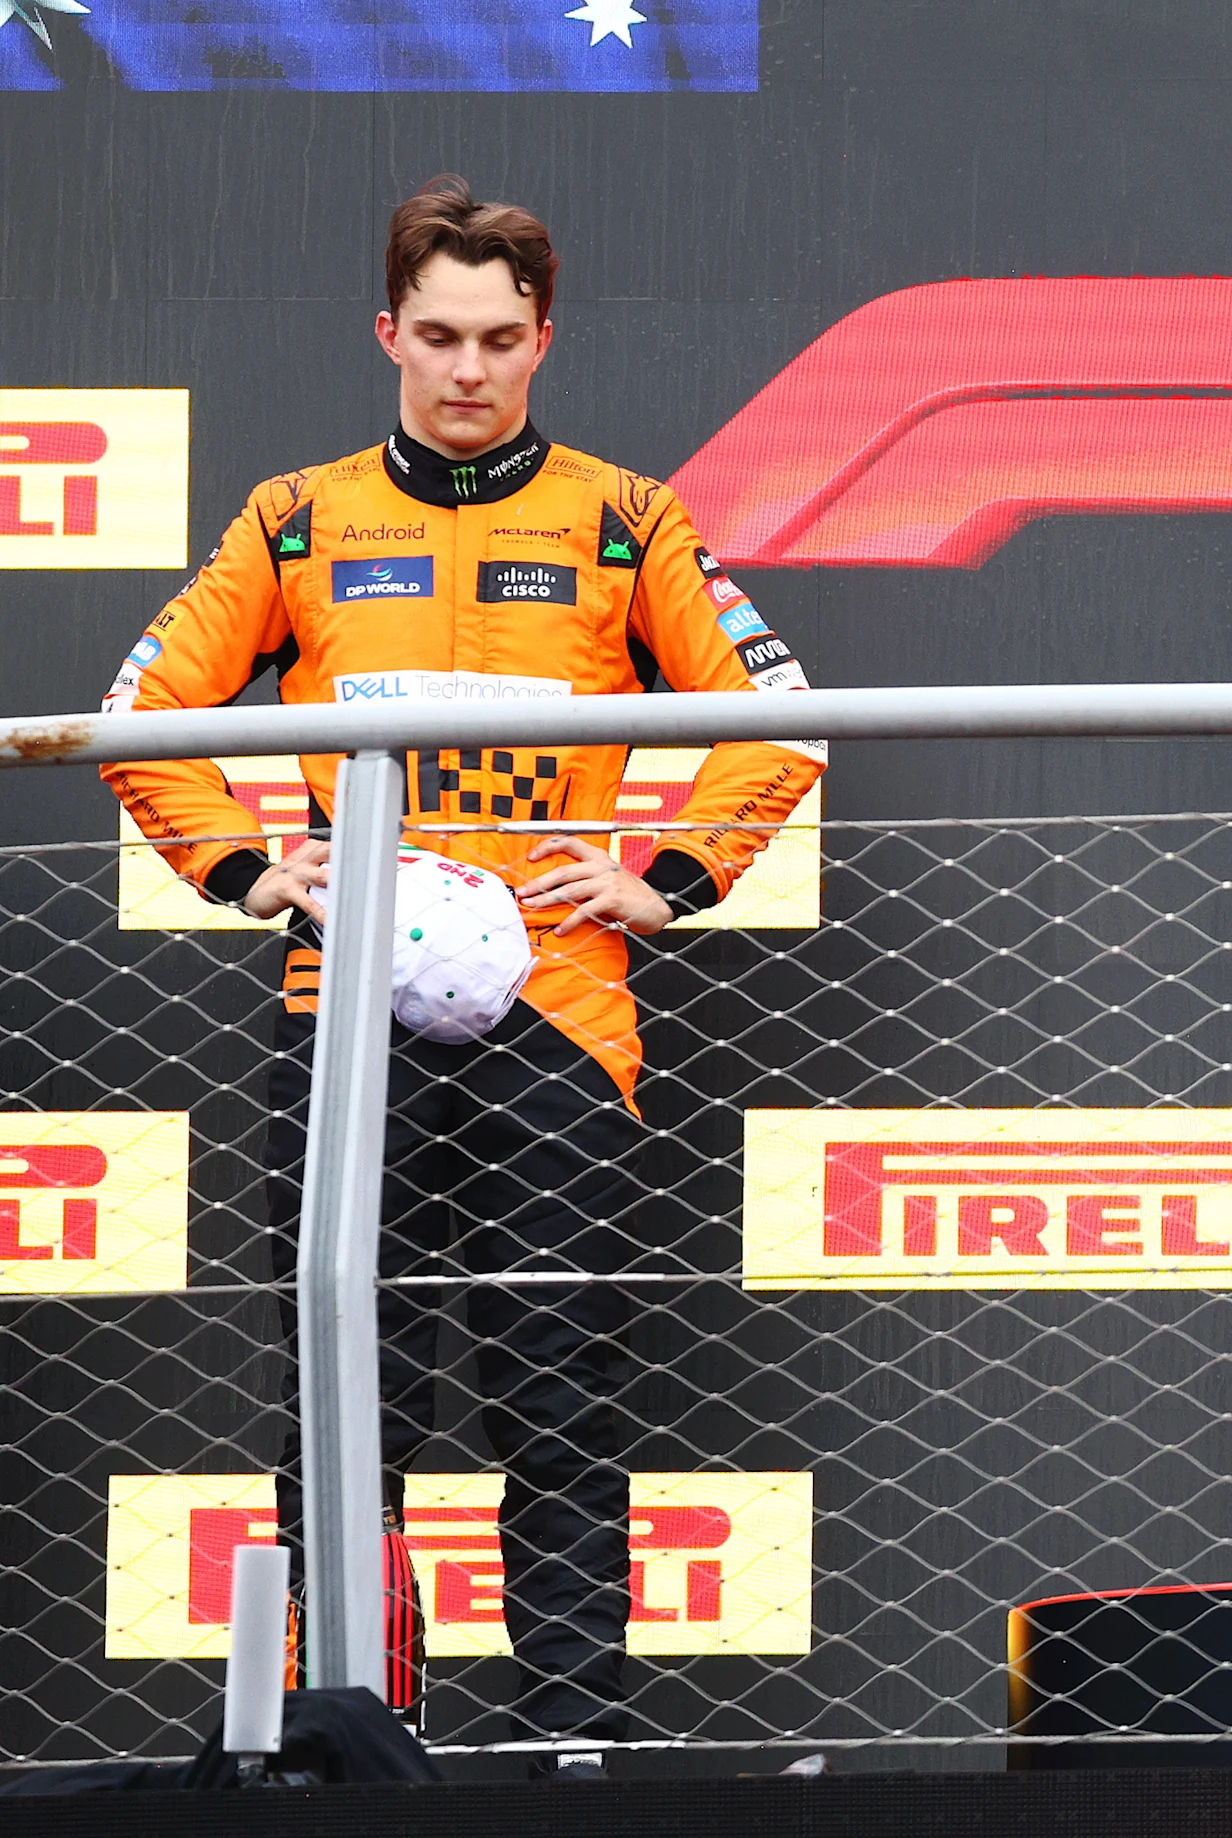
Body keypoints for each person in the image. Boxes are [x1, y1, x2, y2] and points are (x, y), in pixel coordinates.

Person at [102, 179, 824, 1771]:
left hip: (560, 1008)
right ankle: (354, 1740)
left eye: (500, 338)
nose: (469, 369)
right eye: (439, 335)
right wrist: (246, 867)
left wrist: (666, 876)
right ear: (389, 334)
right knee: (344, 1400)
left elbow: (782, 716)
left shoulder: (627, 517)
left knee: (555, 1388)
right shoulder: (296, 517)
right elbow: (139, 710)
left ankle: (573, 1748)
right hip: (343, 1008)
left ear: (543, 339)